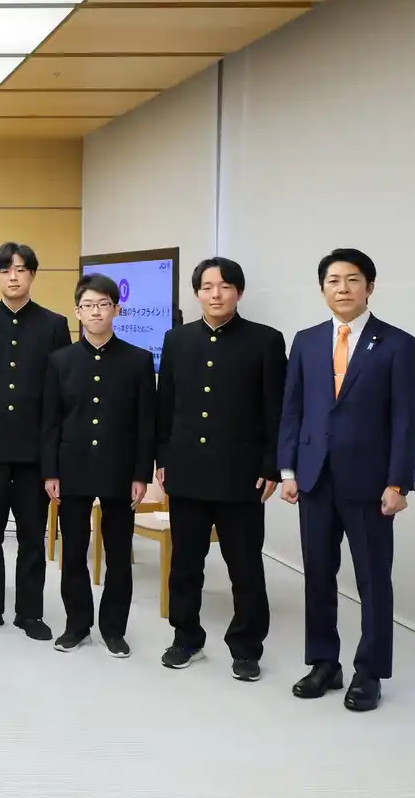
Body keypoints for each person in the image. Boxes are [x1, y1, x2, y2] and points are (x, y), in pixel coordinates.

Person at [279, 248, 415, 712]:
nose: (343, 288)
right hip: (314, 479)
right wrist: (288, 470)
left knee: (373, 580)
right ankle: (324, 663)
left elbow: (405, 420)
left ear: (370, 287)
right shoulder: (306, 341)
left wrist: (398, 483)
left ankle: (370, 671)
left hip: (371, 484)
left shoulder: (398, 344)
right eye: (333, 281)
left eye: (353, 279)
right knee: (318, 575)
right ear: (322, 289)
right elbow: (292, 409)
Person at [156, 257, 286, 680]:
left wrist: (272, 465)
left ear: (239, 292)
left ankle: (246, 648)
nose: (216, 294)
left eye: (225, 286)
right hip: (187, 472)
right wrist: (162, 458)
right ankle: (186, 638)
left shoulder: (266, 341)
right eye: (207, 287)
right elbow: (166, 405)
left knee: (245, 567)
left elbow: (276, 410)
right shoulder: (177, 340)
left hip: (241, 476)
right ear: (197, 293)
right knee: (185, 565)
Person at [0, 243, 70, 639]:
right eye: (5, 270)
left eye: (21, 269)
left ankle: (30, 613)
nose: (13, 276)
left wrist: (54, 452)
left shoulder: (54, 324)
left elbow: (62, 392)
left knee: (31, 535)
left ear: (32, 275)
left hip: (34, 451)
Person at [42, 273, 155, 657]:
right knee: (73, 550)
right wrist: (50, 471)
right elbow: (50, 421)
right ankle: (77, 625)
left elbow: (146, 423)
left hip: (120, 470)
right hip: (71, 468)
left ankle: (114, 629)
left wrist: (140, 473)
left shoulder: (138, 360)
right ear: (77, 312)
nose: (95, 312)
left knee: (118, 554)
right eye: (88, 305)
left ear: (116, 310)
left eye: (103, 305)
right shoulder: (60, 361)